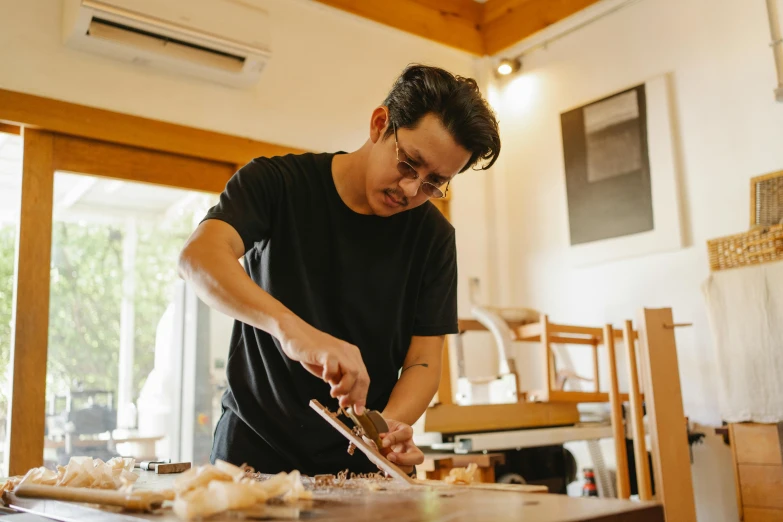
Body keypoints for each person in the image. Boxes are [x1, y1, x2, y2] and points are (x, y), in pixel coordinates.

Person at [178, 64, 501, 476]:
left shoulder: (434, 237)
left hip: (362, 466)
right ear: (380, 123)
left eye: (434, 182)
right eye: (409, 163)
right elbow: (198, 257)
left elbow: (423, 361)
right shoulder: (278, 184)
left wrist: (388, 430)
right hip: (252, 456)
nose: (410, 190)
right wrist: (294, 333)